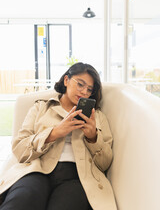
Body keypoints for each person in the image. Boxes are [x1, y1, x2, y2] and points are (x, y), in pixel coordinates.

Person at [0, 62, 117, 210]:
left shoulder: (97, 117)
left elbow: (104, 163)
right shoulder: (41, 107)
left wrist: (93, 138)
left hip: (77, 176)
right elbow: (19, 149)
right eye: (80, 84)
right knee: (21, 201)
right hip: (37, 170)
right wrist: (54, 133)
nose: (84, 92)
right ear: (66, 80)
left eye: (89, 89)